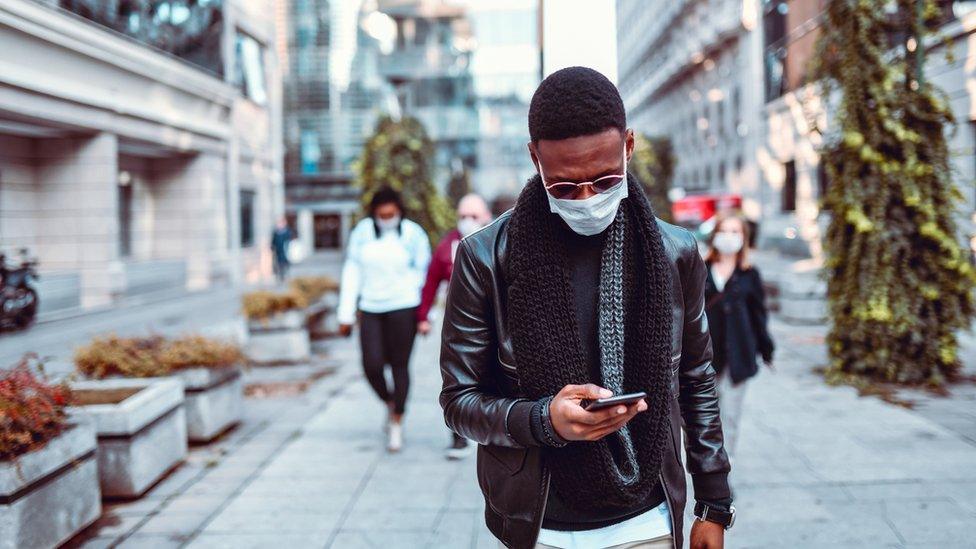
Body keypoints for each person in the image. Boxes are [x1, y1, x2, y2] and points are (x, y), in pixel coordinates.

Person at [440, 66, 733, 549]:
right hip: (539, 526)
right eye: (564, 187)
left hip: (648, 518)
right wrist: (542, 420)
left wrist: (714, 504)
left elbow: (697, 378)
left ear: (629, 146)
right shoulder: (484, 258)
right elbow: (459, 401)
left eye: (604, 181)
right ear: (534, 158)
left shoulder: (674, 252)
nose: (587, 198)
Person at [337, 187, 431, 452]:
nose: (386, 219)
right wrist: (345, 313)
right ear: (374, 213)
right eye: (382, 214)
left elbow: (425, 275)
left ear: (399, 212)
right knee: (372, 364)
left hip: (404, 306)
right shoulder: (363, 233)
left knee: (400, 366)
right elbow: (352, 270)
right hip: (371, 307)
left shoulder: (413, 234)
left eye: (391, 214)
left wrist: (425, 315)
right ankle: (389, 402)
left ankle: (397, 423)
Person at [418, 193, 493, 460]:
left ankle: (489, 424)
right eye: (463, 216)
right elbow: (431, 282)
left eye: (473, 216)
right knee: (457, 373)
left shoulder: (500, 238)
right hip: (458, 319)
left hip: (495, 319)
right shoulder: (448, 245)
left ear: (485, 215)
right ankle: (459, 435)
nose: (467, 221)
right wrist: (423, 317)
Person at [703, 211, 774, 455]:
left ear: (744, 237)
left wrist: (767, 351)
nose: (729, 237)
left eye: (735, 232)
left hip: (739, 355)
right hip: (705, 357)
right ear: (714, 236)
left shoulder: (749, 274)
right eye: (724, 230)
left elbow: (759, 316)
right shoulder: (700, 269)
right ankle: (705, 467)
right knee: (703, 416)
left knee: (730, 416)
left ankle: (724, 470)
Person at [270, 217, 294, 282]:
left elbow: (290, 241)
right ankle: (281, 276)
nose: (279, 225)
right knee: (279, 264)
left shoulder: (287, 232)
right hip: (278, 251)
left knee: (285, 263)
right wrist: (272, 248)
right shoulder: (276, 232)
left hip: (285, 251)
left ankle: (286, 275)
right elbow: (273, 241)